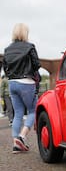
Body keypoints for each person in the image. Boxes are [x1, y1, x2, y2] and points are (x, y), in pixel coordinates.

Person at [2, 23, 41, 153]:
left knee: (18, 113)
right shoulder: (30, 47)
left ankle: (15, 143)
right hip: (26, 82)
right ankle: (22, 137)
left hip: (12, 83)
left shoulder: (7, 49)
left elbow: (5, 68)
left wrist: (12, 76)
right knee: (32, 110)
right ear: (25, 33)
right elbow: (37, 64)